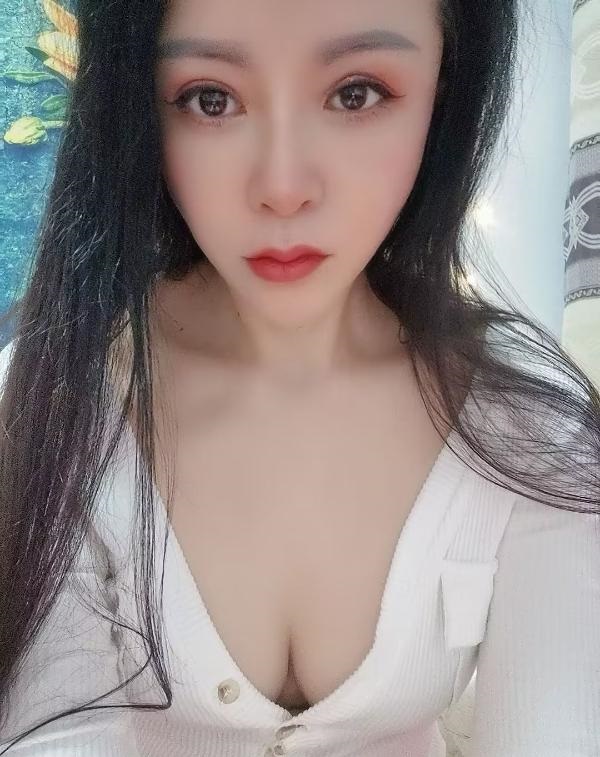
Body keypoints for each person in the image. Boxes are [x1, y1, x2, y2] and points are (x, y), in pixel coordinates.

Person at [0, 0, 598, 755]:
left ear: (444, 91)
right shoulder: (55, 402)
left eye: (356, 93)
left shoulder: (532, 432)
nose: (282, 187)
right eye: (209, 99)